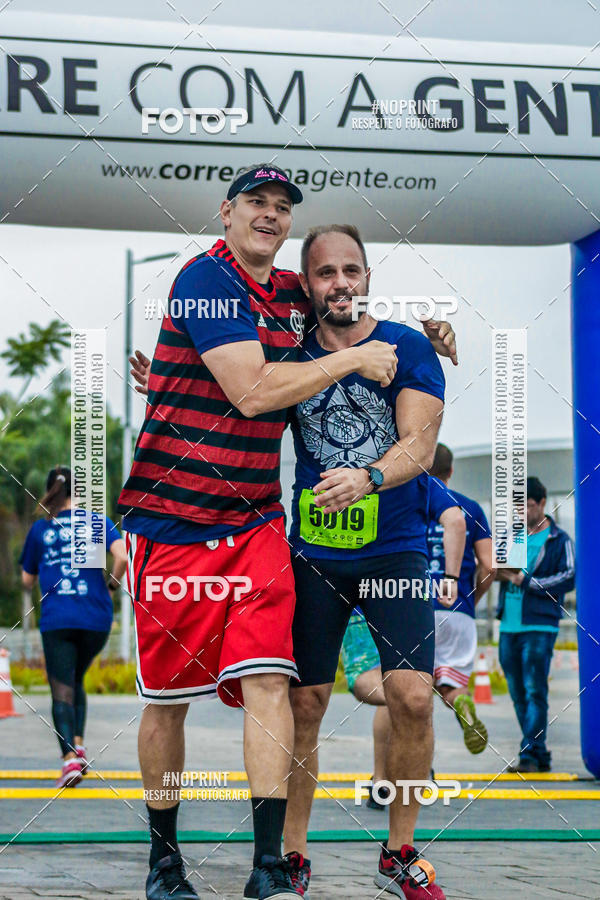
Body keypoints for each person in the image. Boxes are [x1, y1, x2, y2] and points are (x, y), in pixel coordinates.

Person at [118, 164, 406, 900]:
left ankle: (269, 867)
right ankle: (163, 859)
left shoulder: (285, 294)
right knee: (167, 700)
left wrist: (420, 332)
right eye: (257, 202)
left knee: (271, 683)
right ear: (227, 213)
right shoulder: (205, 281)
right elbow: (251, 392)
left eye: (282, 207)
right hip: (170, 522)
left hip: (255, 524)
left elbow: (352, 316)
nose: (271, 215)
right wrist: (354, 358)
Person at [282, 224, 449, 900]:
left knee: (412, 696)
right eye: (326, 272)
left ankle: (400, 852)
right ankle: (291, 854)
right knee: (304, 704)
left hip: (394, 545)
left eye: (352, 269)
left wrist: (369, 478)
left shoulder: (406, 345)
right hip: (315, 553)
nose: (341, 282)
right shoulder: (289, 351)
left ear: (368, 277)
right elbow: (240, 401)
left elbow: (420, 441)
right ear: (308, 284)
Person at [338, 473, 467, 811]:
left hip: (348, 585)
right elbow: (458, 524)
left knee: (374, 684)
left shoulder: (339, 468)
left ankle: (382, 780)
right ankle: (414, 754)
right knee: (408, 694)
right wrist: (453, 580)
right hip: (406, 588)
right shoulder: (425, 483)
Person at [19, 465, 126, 788]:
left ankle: (68, 761)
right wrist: (110, 586)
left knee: (61, 688)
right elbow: (122, 556)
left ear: (52, 493)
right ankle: (77, 744)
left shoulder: (41, 529)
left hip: (58, 619)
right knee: (75, 678)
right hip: (97, 619)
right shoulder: (96, 523)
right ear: (79, 492)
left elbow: (26, 580)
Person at [497, 476, 575, 773]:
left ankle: (530, 752)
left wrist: (527, 581)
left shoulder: (559, 539)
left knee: (534, 689)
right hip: (509, 624)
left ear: (542, 504)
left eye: (528, 506)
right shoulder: (510, 535)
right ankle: (538, 751)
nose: (523, 513)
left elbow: (568, 576)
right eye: (518, 507)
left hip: (540, 625)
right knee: (517, 691)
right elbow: (495, 565)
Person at [427, 444, 496, 754]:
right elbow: (490, 565)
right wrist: (471, 599)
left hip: (415, 606)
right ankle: (460, 702)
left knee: (413, 692)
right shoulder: (471, 508)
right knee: (451, 687)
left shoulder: (412, 504)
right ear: (450, 472)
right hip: (458, 609)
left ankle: (418, 767)